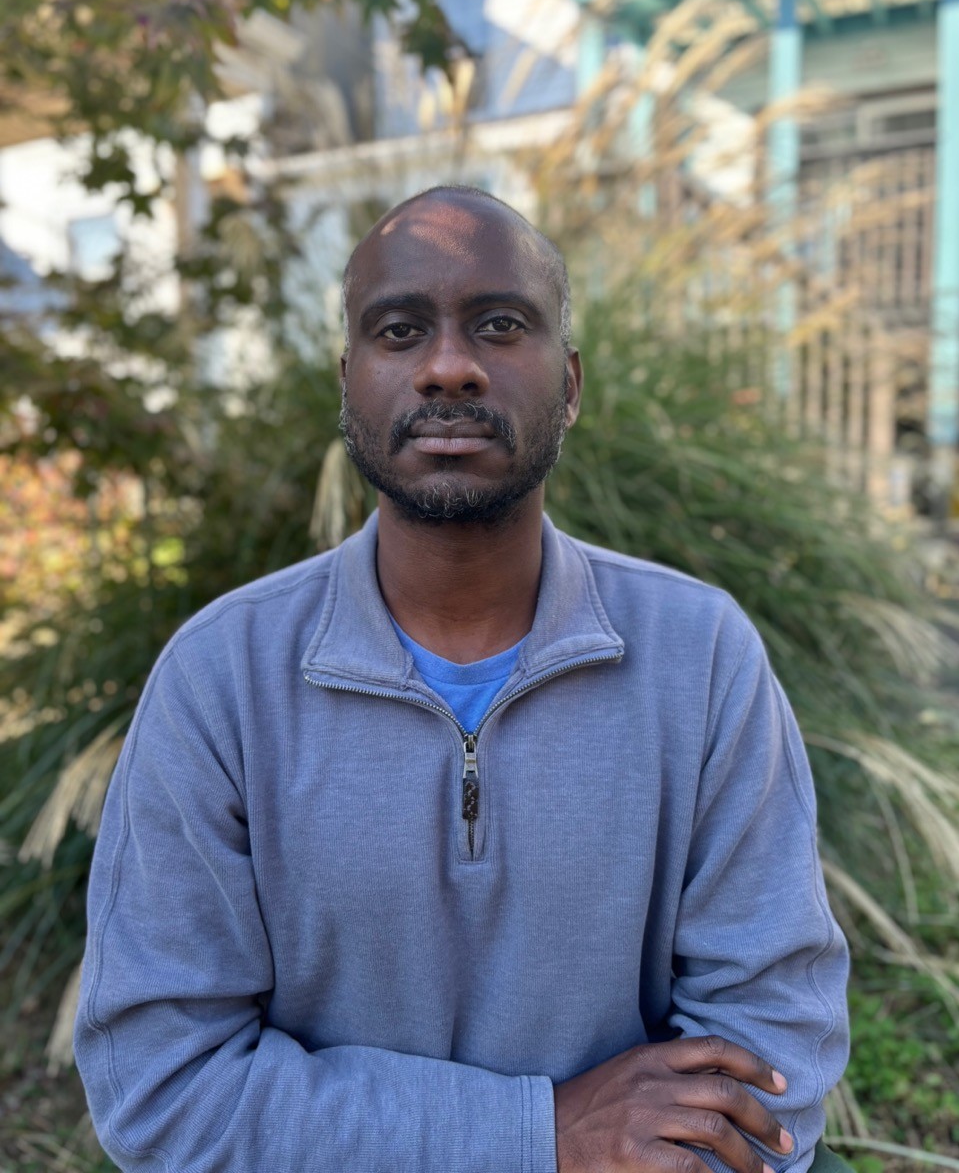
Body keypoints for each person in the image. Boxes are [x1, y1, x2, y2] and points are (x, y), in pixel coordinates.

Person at [75, 186, 849, 1173]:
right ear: (348, 383)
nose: (449, 365)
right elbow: (163, 1089)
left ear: (570, 383)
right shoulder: (220, 679)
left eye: (500, 324)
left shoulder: (700, 656)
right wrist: (539, 1133)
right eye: (400, 330)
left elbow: (770, 1058)